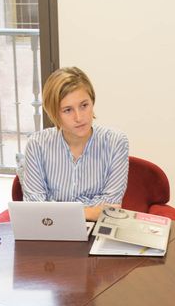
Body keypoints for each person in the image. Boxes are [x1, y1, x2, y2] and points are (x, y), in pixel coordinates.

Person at [19, 66, 129, 221]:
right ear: (53, 113)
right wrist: (91, 211)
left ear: (92, 102)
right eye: (68, 110)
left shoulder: (116, 142)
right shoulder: (37, 144)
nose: (79, 117)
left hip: (95, 233)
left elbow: (111, 206)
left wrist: (55, 210)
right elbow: (34, 207)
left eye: (84, 105)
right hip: (50, 231)